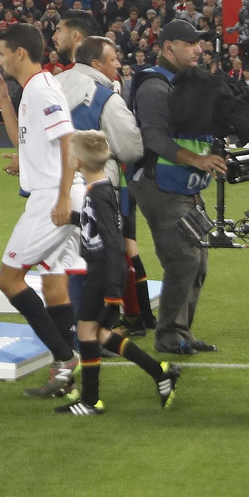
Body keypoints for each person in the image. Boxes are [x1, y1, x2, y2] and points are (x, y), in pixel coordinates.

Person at [0, 22, 82, 398]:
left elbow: (67, 141)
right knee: (54, 287)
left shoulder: (41, 89)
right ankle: (66, 373)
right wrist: (4, 99)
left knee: (8, 280)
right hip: (52, 193)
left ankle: (64, 357)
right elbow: (21, 139)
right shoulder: (32, 90)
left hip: (50, 200)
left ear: (20, 53)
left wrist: (61, 197)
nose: (0, 59)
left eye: (3, 52)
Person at [57, 131, 181, 417]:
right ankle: (159, 373)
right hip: (101, 272)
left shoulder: (97, 195)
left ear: (76, 163)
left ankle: (91, 401)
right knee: (96, 333)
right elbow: (103, 228)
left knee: (88, 332)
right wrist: (74, 218)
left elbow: (113, 245)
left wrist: (113, 295)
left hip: (102, 274)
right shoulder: (102, 188)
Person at [127, 18, 226, 356]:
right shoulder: (155, 86)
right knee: (183, 258)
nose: (199, 49)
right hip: (160, 184)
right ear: (169, 47)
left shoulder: (185, 84)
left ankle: (181, 332)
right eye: (191, 43)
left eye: (200, 43)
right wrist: (196, 160)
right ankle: (169, 336)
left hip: (182, 184)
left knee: (198, 261)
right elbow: (152, 137)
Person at [55, 34, 153, 337]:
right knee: (111, 252)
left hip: (56, 186)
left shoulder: (52, 84)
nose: (118, 64)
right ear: (96, 62)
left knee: (70, 256)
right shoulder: (105, 95)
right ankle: (107, 324)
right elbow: (131, 148)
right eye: (113, 59)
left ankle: (81, 325)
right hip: (98, 185)